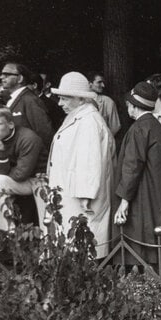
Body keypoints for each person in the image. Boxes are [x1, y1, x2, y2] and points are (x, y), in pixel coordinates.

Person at [48, 72, 116, 258]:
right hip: (71, 192)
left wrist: (86, 193)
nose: (60, 103)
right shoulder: (77, 117)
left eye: (64, 98)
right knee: (74, 242)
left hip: (81, 197)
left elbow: (90, 160)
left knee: (84, 243)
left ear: (80, 98)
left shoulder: (89, 122)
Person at [112, 82, 161, 267]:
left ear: (135, 106)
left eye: (129, 104)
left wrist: (124, 200)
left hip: (142, 190)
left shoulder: (138, 128)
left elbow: (132, 166)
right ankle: (153, 268)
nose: (127, 107)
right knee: (154, 225)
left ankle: (137, 270)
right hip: (156, 188)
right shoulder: (157, 126)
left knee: (139, 228)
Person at [0, 105, 48, 254]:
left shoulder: (28, 138)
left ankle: (48, 252)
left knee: (47, 226)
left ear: (10, 124)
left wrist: (3, 156)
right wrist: (0, 149)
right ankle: (5, 234)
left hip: (41, 179)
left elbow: (21, 174)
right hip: (19, 178)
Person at [0, 61, 54, 148]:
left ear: (20, 78)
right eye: (2, 74)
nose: (1, 77)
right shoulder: (14, 99)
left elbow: (45, 133)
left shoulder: (30, 100)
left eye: (7, 74)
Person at [87, 71, 121, 136]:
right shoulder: (80, 100)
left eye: (103, 82)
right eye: (99, 82)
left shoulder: (108, 101)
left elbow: (115, 127)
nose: (103, 85)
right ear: (89, 83)